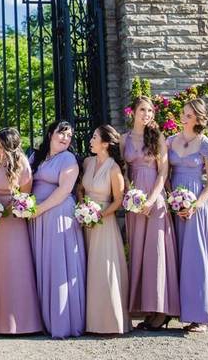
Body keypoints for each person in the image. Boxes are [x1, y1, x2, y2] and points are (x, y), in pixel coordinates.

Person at [0, 127, 43, 335]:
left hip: (12, 221)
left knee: (13, 267)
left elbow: (24, 197)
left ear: (10, 147)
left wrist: (3, 212)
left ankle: (19, 321)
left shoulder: (23, 165)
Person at [123, 96, 180, 330]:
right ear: (133, 112)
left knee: (156, 253)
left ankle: (161, 310)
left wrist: (152, 199)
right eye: (142, 110)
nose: (146, 114)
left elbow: (163, 172)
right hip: (134, 201)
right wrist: (130, 194)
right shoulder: (124, 139)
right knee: (139, 253)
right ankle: (145, 308)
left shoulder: (157, 137)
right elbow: (123, 170)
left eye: (150, 111)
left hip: (154, 200)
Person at [169, 99, 208, 332]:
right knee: (177, 259)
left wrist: (196, 205)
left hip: (196, 206)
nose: (184, 117)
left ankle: (201, 316)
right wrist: (172, 198)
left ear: (199, 119)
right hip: (175, 204)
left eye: (189, 115)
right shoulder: (171, 141)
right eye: (183, 113)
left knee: (196, 260)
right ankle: (178, 311)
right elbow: (165, 174)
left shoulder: (205, 144)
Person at [30, 120, 86, 338]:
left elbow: (64, 191)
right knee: (44, 265)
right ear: (50, 134)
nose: (65, 138)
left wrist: (39, 209)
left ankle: (64, 322)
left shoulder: (69, 159)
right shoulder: (37, 157)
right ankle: (45, 319)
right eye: (61, 133)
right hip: (39, 218)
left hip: (58, 215)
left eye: (69, 136)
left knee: (59, 266)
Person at [80, 124, 131, 335]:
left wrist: (99, 215)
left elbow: (118, 200)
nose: (90, 140)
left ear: (106, 143)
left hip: (104, 223)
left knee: (103, 269)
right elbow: (80, 188)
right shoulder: (87, 162)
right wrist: (83, 207)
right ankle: (89, 322)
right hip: (86, 221)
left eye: (94, 137)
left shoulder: (114, 169)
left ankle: (109, 322)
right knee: (87, 269)